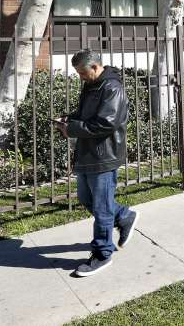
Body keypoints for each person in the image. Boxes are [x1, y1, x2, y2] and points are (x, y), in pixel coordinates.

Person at [56, 49, 138, 277]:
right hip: (87, 152)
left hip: (104, 155)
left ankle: (103, 254)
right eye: (77, 73)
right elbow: (87, 115)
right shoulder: (91, 85)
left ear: (95, 67)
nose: (80, 77)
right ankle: (123, 216)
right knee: (86, 198)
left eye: (82, 72)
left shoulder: (112, 88)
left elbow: (106, 123)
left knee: (101, 207)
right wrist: (69, 119)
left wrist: (71, 129)